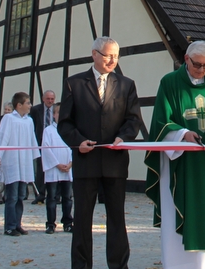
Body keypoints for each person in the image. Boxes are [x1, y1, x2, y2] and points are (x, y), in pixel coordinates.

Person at [58, 36, 142, 269]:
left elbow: (133, 119)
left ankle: (119, 265)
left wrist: (123, 137)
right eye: (108, 55)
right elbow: (64, 123)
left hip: (115, 162)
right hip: (86, 161)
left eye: (116, 56)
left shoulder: (126, 84)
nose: (112, 60)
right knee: (82, 219)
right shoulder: (74, 83)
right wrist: (78, 142)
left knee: (117, 219)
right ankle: (81, 265)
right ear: (94, 54)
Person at [145, 40, 205, 269]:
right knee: (176, 215)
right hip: (178, 160)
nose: (202, 70)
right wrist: (182, 134)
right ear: (186, 59)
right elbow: (161, 121)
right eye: (197, 64)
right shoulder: (169, 82)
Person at [0, 91, 40, 236]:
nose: (30, 106)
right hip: (12, 161)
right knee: (11, 196)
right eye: (28, 103)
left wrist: (35, 157)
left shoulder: (29, 121)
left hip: (24, 161)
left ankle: (17, 224)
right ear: (19, 105)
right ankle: (9, 226)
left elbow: (32, 139)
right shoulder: (8, 119)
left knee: (20, 196)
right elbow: (2, 137)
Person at [42, 103, 73, 234]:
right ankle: (50, 224)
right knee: (52, 197)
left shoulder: (71, 130)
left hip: (67, 168)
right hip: (54, 168)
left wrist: (70, 163)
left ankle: (68, 222)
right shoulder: (48, 130)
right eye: (58, 112)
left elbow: (73, 147)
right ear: (54, 115)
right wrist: (57, 164)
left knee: (68, 197)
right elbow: (46, 149)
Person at [31, 90, 57, 204]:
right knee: (41, 169)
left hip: (55, 143)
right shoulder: (36, 110)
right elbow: (32, 126)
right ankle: (40, 195)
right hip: (40, 142)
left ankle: (55, 196)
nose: (50, 101)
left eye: (52, 99)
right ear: (43, 99)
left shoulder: (57, 109)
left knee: (55, 167)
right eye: (48, 99)